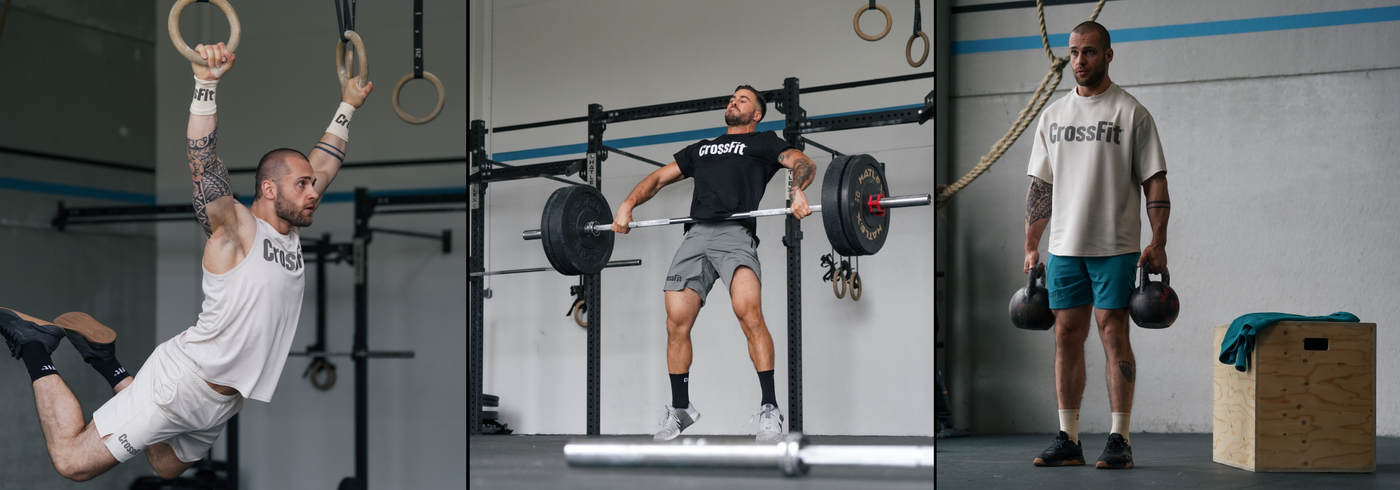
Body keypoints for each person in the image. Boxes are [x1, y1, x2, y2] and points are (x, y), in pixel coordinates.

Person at [0, 42, 373, 481]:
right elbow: (204, 163)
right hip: (182, 385)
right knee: (72, 462)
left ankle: (105, 361)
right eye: (303, 185)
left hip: (223, 399)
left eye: (312, 185)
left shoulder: (287, 230)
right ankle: (34, 344)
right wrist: (205, 84)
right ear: (270, 190)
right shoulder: (236, 229)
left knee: (165, 465)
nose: (314, 192)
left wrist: (347, 105)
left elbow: (325, 163)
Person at [611, 85, 819, 443]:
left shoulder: (764, 142)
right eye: (732, 98)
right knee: (675, 321)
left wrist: (797, 189)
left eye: (743, 99)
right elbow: (658, 179)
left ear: (757, 114)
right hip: (695, 237)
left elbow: (803, 163)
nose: (733, 101)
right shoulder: (702, 148)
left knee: (748, 312)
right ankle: (681, 409)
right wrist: (627, 204)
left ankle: (770, 408)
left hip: (735, 234)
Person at [1023, 21, 1171, 470]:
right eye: (1074, 52)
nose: (1079, 60)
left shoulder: (1131, 113)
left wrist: (1158, 240)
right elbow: (1041, 187)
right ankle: (1068, 438)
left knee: (1112, 332)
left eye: (1088, 51)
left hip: (1116, 246)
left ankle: (1119, 439)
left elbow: (1155, 182)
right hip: (1065, 247)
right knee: (1066, 335)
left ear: (1108, 55)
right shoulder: (1053, 116)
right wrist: (1031, 244)